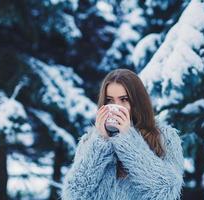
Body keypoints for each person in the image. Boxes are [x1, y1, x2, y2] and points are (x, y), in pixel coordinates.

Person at [61, 69, 184, 200]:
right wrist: (100, 143)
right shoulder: (90, 141)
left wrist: (127, 141)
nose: (116, 106)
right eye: (109, 100)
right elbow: (73, 195)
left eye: (124, 99)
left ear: (137, 102)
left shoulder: (165, 138)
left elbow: (166, 190)